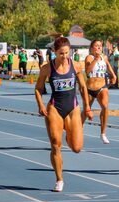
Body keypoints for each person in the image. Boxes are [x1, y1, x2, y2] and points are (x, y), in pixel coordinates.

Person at [35, 36, 93, 192]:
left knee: (76, 148)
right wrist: (40, 105)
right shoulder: (47, 68)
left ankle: (69, 134)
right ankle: (59, 179)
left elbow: (83, 88)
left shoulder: (76, 65)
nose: (65, 56)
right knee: (55, 144)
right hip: (55, 108)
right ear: (55, 52)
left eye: (67, 53)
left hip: (73, 108)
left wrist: (87, 107)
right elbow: (38, 89)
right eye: (61, 53)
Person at [82, 40, 117, 144]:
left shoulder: (104, 57)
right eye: (96, 46)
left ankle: (103, 133)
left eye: (100, 46)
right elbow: (87, 71)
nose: (98, 48)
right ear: (92, 48)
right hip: (90, 88)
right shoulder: (89, 57)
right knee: (85, 111)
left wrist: (113, 75)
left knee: (105, 106)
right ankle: (78, 129)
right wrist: (95, 60)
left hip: (102, 87)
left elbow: (108, 67)